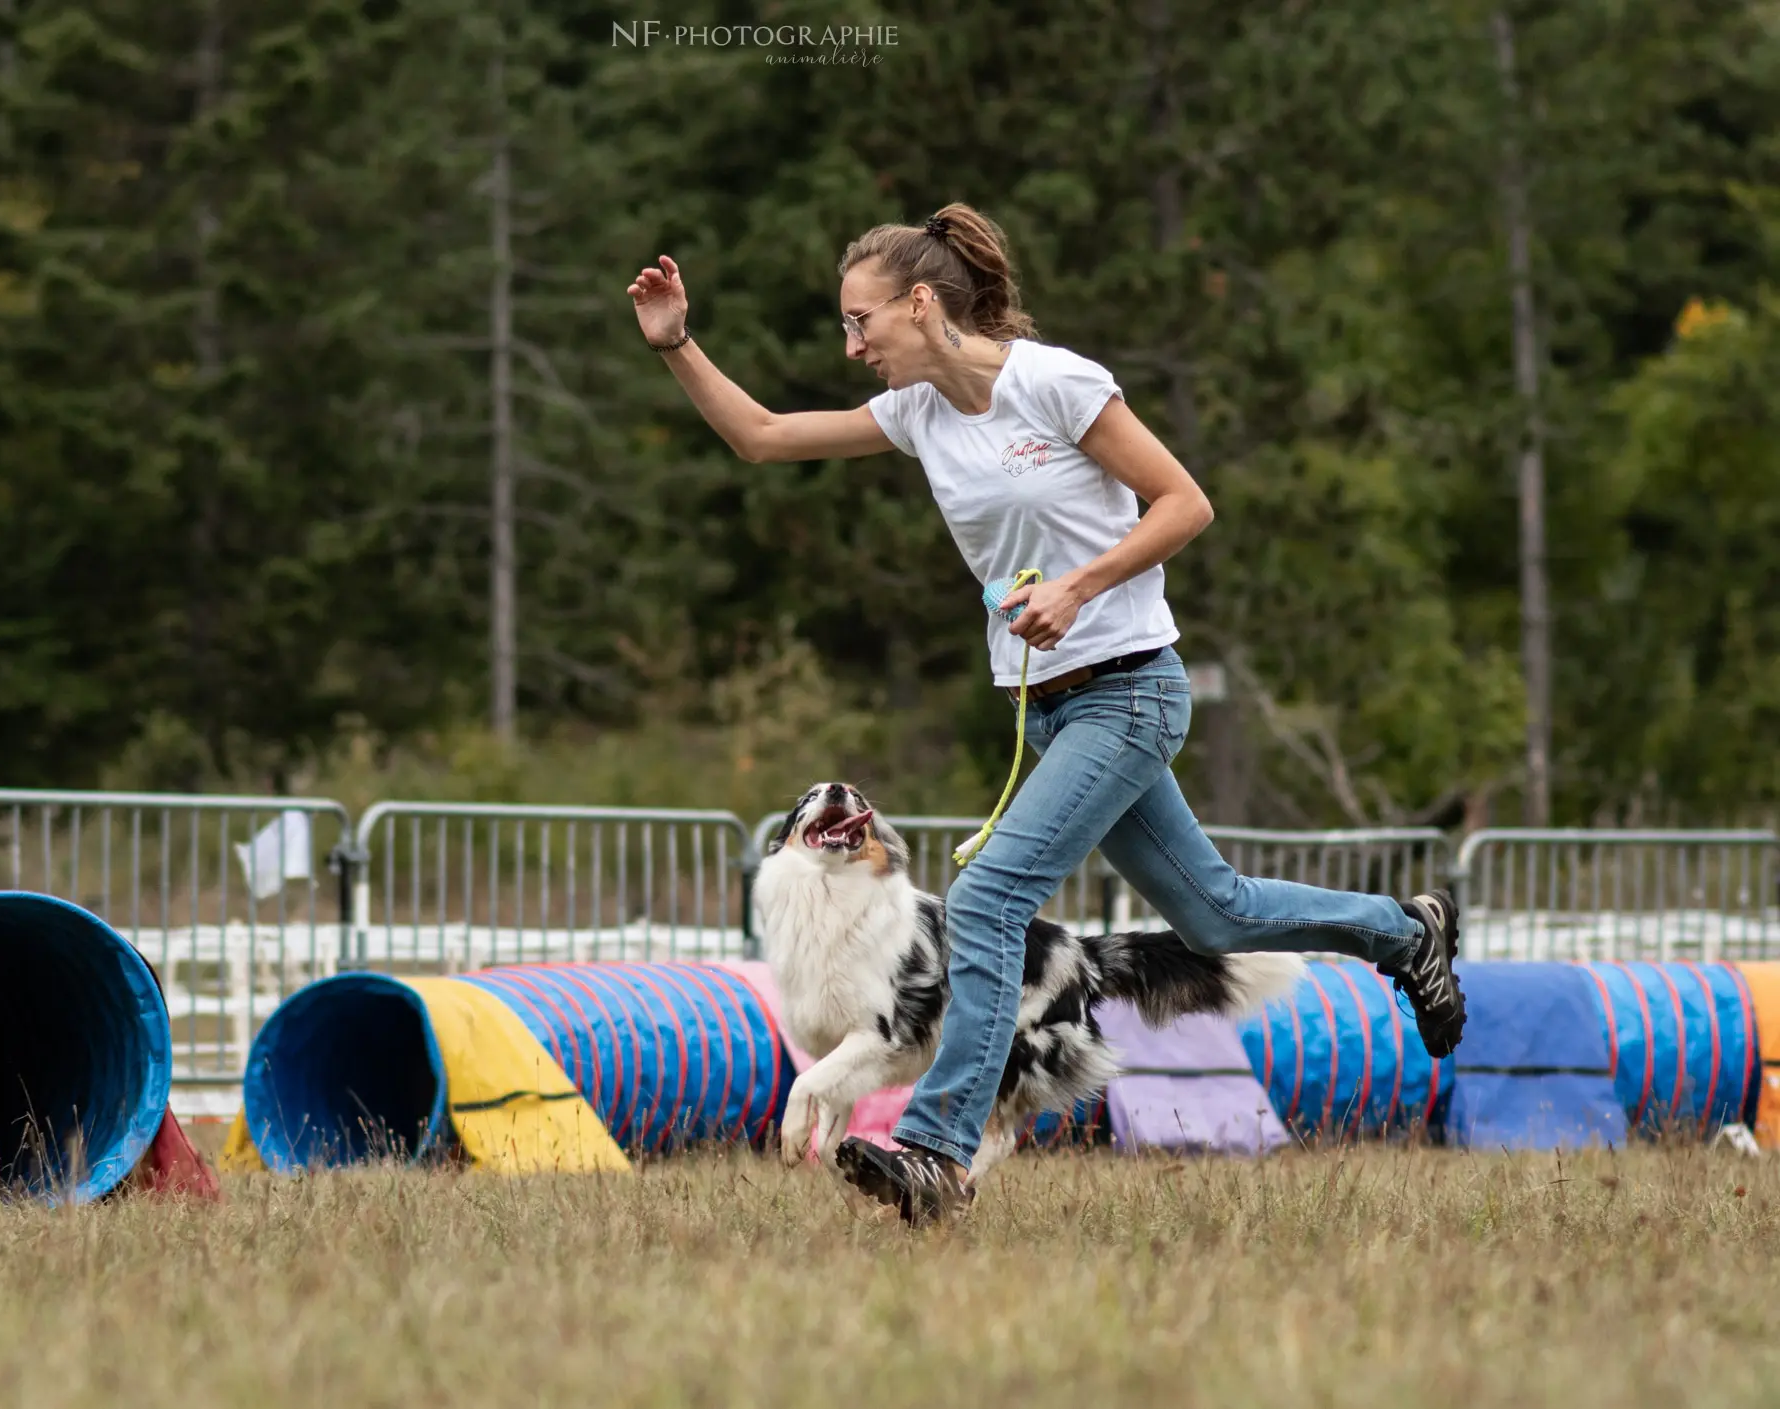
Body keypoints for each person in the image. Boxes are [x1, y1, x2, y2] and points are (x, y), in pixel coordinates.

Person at [625, 203, 1466, 1227]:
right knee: (1216, 914)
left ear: (922, 305)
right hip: (1052, 711)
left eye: (860, 323)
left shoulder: (1052, 381)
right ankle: (1403, 931)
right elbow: (760, 437)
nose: (849, 347)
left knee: (981, 898)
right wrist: (677, 346)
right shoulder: (917, 413)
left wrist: (1078, 584)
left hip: (1129, 689)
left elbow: (1182, 502)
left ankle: (933, 1149)